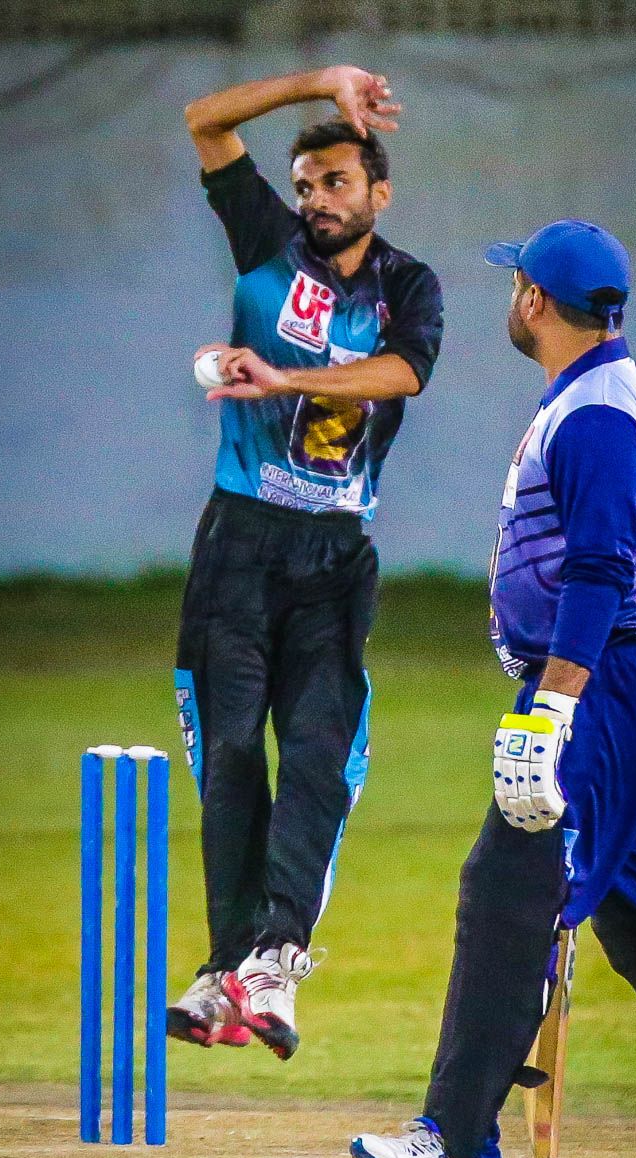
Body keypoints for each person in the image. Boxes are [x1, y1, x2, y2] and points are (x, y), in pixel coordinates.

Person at [350, 222, 636, 1158]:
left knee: (508, 888)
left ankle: (456, 1144)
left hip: (601, 683)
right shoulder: (602, 391)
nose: (511, 298)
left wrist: (550, 710)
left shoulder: (594, 412)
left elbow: (596, 571)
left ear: (536, 301)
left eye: (517, 283)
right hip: (629, 683)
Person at [167, 65, 443, 1060]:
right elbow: (203, 120)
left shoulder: (407, 284)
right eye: (306, 184)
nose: (318, 198)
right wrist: (317, 84)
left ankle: (276, 958)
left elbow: (404, 373)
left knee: (318, 752)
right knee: (232, 754)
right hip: (238, 543)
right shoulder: (266, 245)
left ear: (379, 192)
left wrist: (284, 375)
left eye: (337, 181)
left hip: (333, 552)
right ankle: (225, 967)